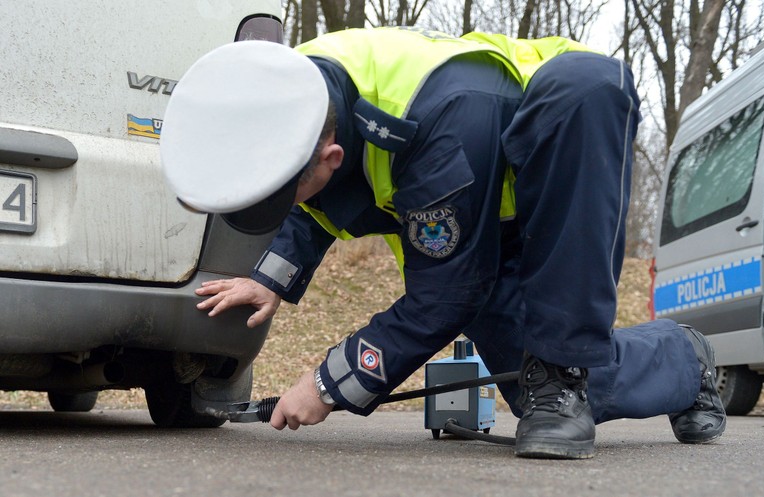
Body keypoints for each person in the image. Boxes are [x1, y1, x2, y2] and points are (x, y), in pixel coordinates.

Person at [160, 27, 726, 459]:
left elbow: (448, 293)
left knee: (558, 374)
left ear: (330, 157)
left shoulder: (434, 123)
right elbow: (308, 185)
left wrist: (329, 382)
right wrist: (271, 279)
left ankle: (605, 362)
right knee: (544, 396)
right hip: (472, 207)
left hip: (554, 168)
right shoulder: (294, 85)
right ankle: (684, 360)